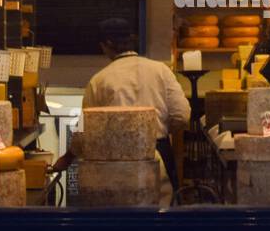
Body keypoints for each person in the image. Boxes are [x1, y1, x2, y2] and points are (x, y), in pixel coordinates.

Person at [50, 18, 191, 197]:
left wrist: (67, 158)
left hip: (114, 165)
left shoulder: (99, 80)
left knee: (120, 217)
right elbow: (182, 115)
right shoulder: (161, 70)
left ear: (107, 44)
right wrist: (157, 132)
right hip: (157, 154)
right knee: (159, 214)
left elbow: (85, 131)